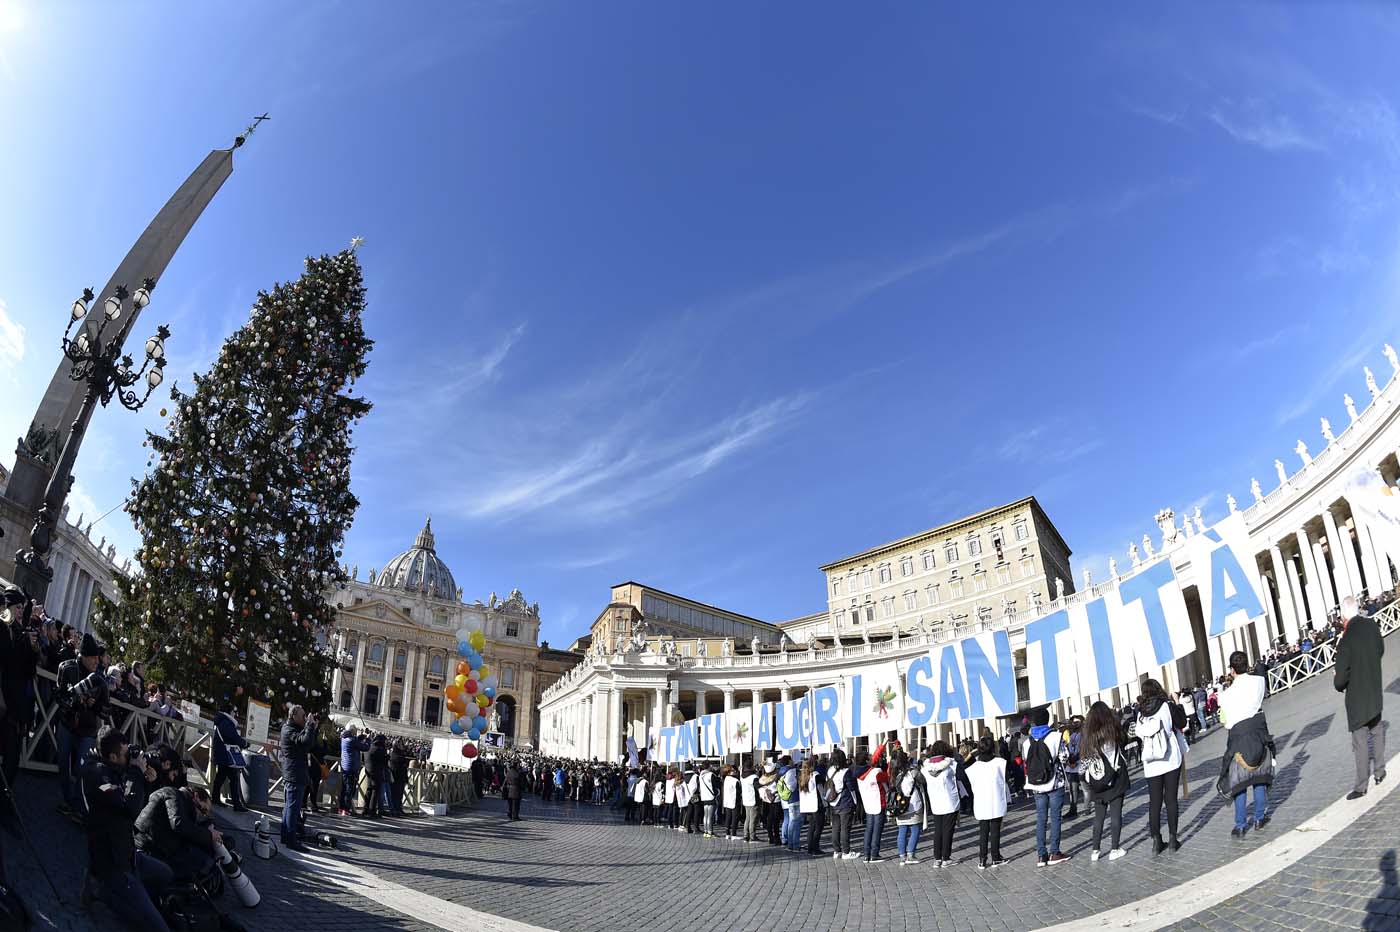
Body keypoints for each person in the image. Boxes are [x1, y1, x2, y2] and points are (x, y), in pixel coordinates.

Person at [82, 725, 172, 931]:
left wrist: (147, 780)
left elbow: (136, 801)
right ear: (112, 757)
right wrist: (135, 772)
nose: (129, 758)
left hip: (129, 853)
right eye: (125, 755)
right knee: (160, 928)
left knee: (166, 874)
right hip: (112, 863)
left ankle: (135, 895)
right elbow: (129, 807)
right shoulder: (96, 776)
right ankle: (102, 891)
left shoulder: (115, 768)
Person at [1334, 595, 1387, 800]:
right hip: (1374, 686)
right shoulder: (1371, 625)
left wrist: (1340, 681)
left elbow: (1340, 680)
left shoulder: (1346, 639)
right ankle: (1380, 772)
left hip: (1357, 696)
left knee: (1360, 741)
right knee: (1377, 730)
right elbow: (1380, 650)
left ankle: (1361, 785)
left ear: (1344, 615)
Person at [1219, 655, 1277, 838]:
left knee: (1239, 782)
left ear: (1232, 670)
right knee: (1258, 776)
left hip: (1238, 737)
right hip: (1258, 732)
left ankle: (1241, 824)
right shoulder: (1259, 681)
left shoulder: (1225, 695)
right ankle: (1260, 818)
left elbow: (1226, 723)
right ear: (1247, 665)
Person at [133, 784, 221, 884]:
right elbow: (179, 824)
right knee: (203, 861)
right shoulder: (173, 793)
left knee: (200, 859)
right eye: (203, 810)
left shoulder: (181, 801)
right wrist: (209, 835)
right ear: (196, 796)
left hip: (157, 845)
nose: (203, 815)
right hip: (150, 848)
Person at [1136, 678, 1184, 854]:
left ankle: (1156, 840)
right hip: (1169, 757)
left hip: (1151, 762)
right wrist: (1177, 703)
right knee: (1171, 799)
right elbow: (1182, 723)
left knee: (1154, 802)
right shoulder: (1167, 705)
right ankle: (1172, 838)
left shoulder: (1140, 713)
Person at [1078, 701, 1130, 861]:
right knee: (1116, 814)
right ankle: (1114, 848)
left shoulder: (1087, 737)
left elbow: (1083, 763)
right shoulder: (1112, 730)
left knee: (1099, 817)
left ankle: (1095, 850)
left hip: (1096, 779)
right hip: (1115, 776)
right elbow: (1125, 741)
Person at [1021, 707, 1070, 867]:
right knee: (1055, 817)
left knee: (1041, 818)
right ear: (1048, 720)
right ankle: (1054, 852)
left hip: (1036, 785)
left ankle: (1041, 855)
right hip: (1055, 782)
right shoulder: (1056, 736)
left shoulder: (1027, 742)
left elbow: (1026, 761)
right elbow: (1064, 757)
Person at [278, 704, 317, 851]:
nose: (304, 718)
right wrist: (310, 726)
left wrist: (311, 727)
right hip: (295, 774)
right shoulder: (290, 730)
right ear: (294, 716)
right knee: (292, 808)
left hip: (293, 773)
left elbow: (308, 744)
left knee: (289, 806)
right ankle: (290, 839)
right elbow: (305, 741)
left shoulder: (290, 728)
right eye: (302, 715)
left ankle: (286, 836)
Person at [965, 735, 1008, 869]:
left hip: (981, 801)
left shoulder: (973, 766)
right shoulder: (1000, 762)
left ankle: (982, 859)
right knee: (995, 830)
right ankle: (995, 857)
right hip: (996, 799)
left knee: (983, 831)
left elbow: (965, 770)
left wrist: (972, 754)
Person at [922, 742, 962, 868]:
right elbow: (960, 775)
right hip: (950, 801)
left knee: (938, 831)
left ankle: (937, 858)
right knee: (947, 830)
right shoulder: (951, 765)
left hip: (936, 802)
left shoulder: (925, 768)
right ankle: (946, 858)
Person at [209, 702, 249, 811]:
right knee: (233, 779)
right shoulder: (226, 722)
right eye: (233, 711)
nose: (234, 714)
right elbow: (233, 736)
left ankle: (216, 798)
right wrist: (244, 744)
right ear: (229, 712)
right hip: (227, 755)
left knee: (221, 777)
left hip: (222, 753)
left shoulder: (221, 720)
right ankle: (236, 804)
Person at [855, 743, 889, 863]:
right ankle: (874, 854)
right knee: (877, 830)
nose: (872, 759)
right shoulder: (875, 773)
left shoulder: (858, 773)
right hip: (878, 803)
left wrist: (881, 747)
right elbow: (888, 777)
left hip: (868, 804)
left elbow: (873, 761)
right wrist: (889, 765)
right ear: (866, 761)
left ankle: (866, 854)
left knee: (869, 829)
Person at [891, 750, 926, 865]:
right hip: (913, 804)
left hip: (899, 805)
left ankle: (902, 856)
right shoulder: (913, 772)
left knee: (902, 830)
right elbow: (923, 781)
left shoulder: (894, 774)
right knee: (915, 829)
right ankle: (910, 854)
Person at [826, 748, 857, 860]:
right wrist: (855, 801)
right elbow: (851, 788)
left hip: (833, 802)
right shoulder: (846, 772)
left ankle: (837, 850)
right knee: (845, 828)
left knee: (835, 828)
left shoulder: (830, 770)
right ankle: (846, 851)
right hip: (845, 801)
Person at [338, 725, 369, 815]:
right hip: (352, 768)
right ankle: (346, 809)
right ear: (352, 732)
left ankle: (341, 808)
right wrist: (368, 739)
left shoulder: (344, 738)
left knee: (344, 788)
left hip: (345, 767)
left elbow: (357, 740)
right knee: (350, 789)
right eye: (355, 731)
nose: (356, 733)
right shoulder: (352, 740)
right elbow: (365, 747)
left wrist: (363, 735)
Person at [798, 757, 825, 855]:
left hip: (808, 805)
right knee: (818, 827)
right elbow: (823, 781)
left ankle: (810, 848)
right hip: (816, 804)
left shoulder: (801, 776)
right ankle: (815, 847)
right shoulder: (814, 775)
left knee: (812, 827)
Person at [777, 755, 801, 852]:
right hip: (793, 798)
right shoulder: (791, 771)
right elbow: (792, 785)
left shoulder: (781, 771)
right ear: (789, 761)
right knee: (795, 822)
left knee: (788, 820)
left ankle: (786, 839)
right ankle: (794, 844)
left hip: (784, 798)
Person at [740, 762, 761, 843]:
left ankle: (746, 835)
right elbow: (758, 787)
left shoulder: (742, 776)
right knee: (753, 819)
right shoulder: (754, 777)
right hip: (753, 800)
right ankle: (752, 836)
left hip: (746, 799)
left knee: (747, 818)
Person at [390, 739, 411, 816]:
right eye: (400, 744)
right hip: (396, 777)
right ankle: (395, 809)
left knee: (400, 794)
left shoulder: (401, 754)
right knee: (395, 794)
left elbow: (404, 766)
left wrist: (406, 779)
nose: (402, 745)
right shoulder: (394, 754)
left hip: (401, 776)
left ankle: (399, 808)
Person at [721, 765, 740, 838]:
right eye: (733, 770)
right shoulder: (735, 781)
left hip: (727, 800)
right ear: (729, 772)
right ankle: (734, 834)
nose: (734, 771)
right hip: (734, 800)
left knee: (728, 817)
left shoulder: (725, 779)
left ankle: (727, 833)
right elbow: (739, 792)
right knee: (734, 817)